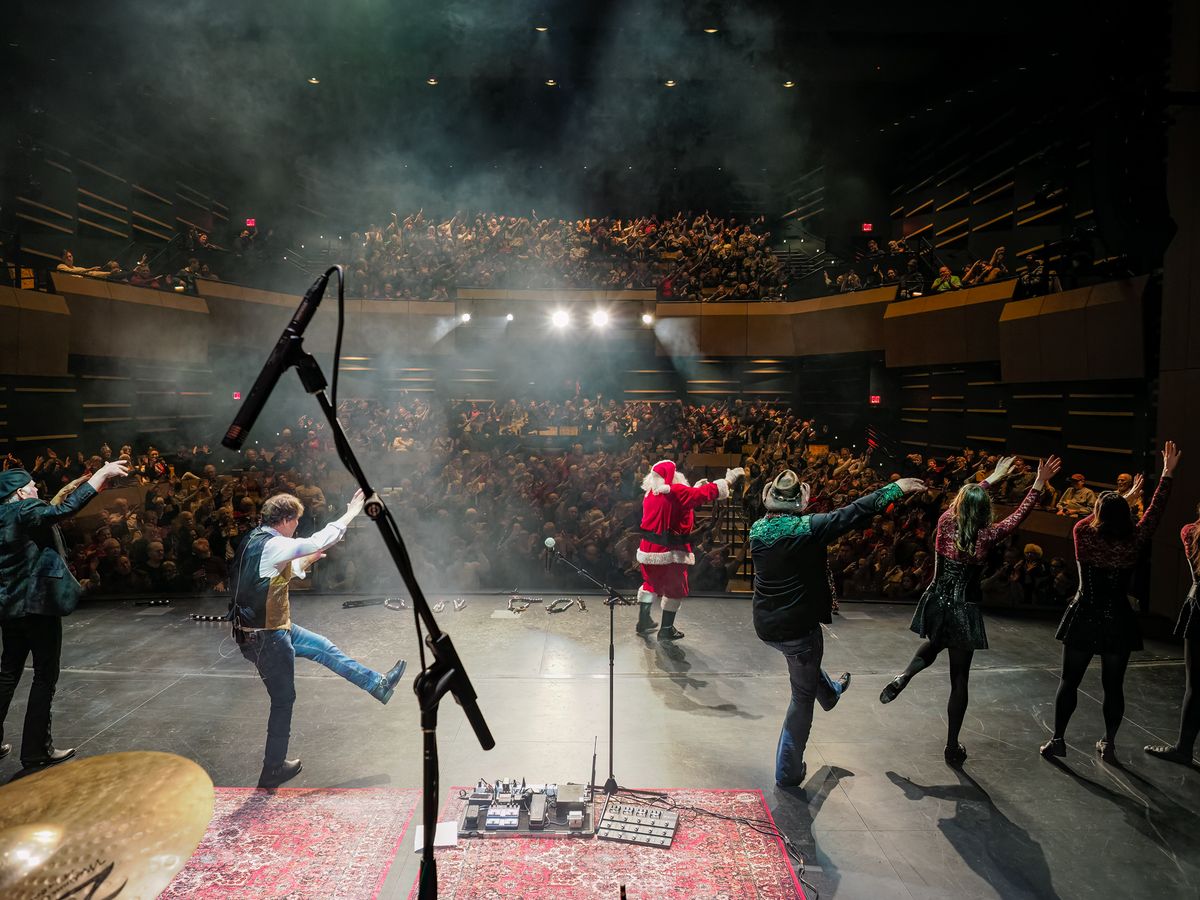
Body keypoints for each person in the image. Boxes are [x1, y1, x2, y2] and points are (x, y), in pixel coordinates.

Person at [880, 455, 1061, 766]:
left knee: (935, 643)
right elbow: (1018, 516)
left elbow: (965, 498)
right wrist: (1038, 484)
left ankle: (904, 675)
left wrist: (994, 476)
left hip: (937, 599)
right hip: (964, 607)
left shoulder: (945, 521)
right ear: (983, 510)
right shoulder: (988, 534)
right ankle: (952, 746)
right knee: (959, 678)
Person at [751, 469, 927, 787]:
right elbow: (855, 512)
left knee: (802, 666)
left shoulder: (757, 530)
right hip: (799, 629)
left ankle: (830, 693)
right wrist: (894, 488)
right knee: (802, 696)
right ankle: (787, 772)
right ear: (798, 503)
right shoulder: (809, 528)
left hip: (765, 625)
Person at [229, 490, 407, 788]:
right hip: (267, 638)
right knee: (283, 700)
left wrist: (306, 561)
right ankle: (272, 769)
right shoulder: (274, 544)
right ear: (285, 520)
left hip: (270, 630)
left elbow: (276, 574)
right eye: (296, 522)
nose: (296, 527)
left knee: (324, 647)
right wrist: (351, 512)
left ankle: (378, 684)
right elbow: (318, 540)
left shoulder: (253, 539)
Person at [1041, 442, 1180, 763]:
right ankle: (1109, 743)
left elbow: (1094, 517)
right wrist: (1167, 474)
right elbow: (1156, 509)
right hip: (1118, 618)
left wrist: (1124, 498)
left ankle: (1058, 739)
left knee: (1069, 681)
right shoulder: (1136, 538)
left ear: (1099, 513)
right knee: (1113, 687)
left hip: (1084, 613)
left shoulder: (1082, 533)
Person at [0, 460, 130, 770]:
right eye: (32, 487)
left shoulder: (5, 515)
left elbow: (54, 505)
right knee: (45, 676)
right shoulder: (23, 510)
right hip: (37, 607)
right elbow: (61, 511)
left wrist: (82, 483)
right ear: (20, 493)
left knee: (7, 674)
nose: (36, 490)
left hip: (9, 608)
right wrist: (100, 475)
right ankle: (36, 750)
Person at [635, 459, 744, 641]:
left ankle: (643, 621)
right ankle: (666, 629)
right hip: (670, 552)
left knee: (650, 585)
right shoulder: (676, 491)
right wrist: (729, 480)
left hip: (648, 550)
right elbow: (708, 492)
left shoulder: (650, 494)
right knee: (675, 590)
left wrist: (692, 488)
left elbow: (676, 505)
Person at [1145, 501, 1200, 764]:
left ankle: (1184, 748)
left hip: (1199, 607)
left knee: (1196, 684)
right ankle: (1183, 749)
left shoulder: (1190, 531)